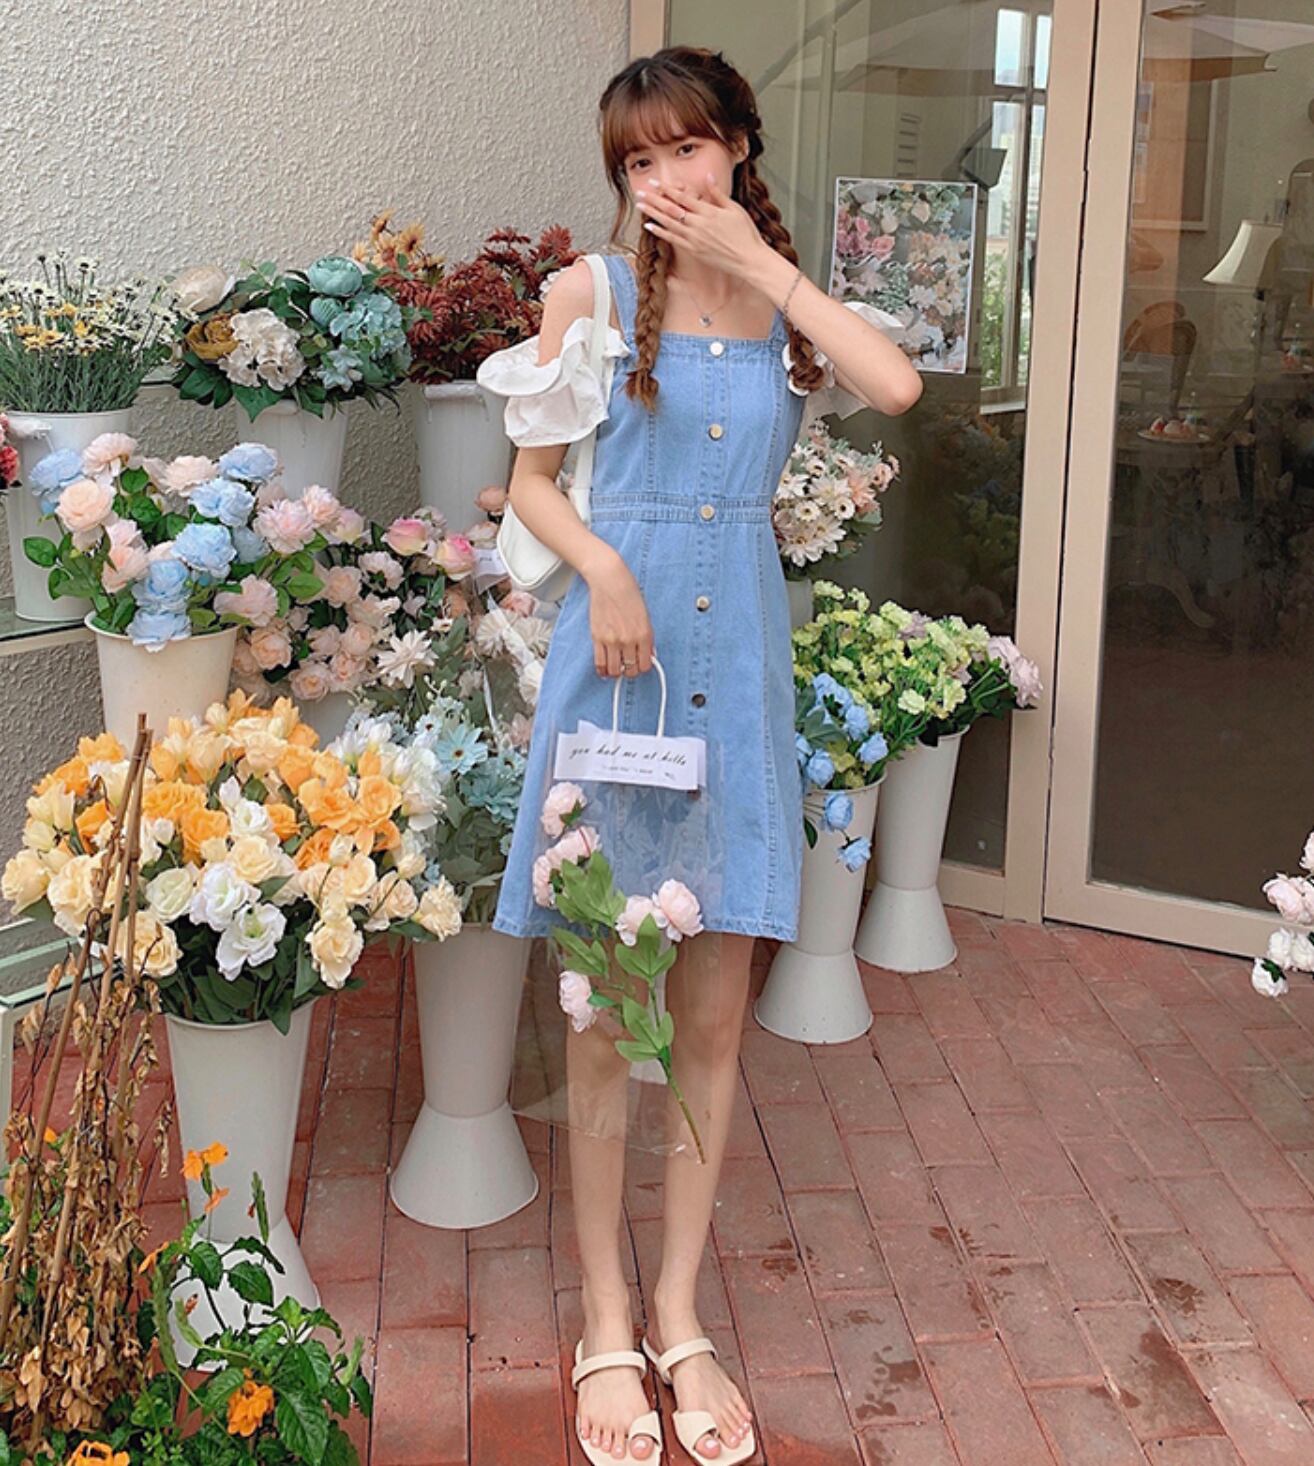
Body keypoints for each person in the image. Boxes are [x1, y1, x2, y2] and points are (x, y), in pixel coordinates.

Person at [476, 45, 922, 1466]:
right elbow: (532, 488)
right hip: (619, 670)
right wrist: (606, 568)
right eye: (636, 160)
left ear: (735, 145)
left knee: (716, 1020)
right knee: (610, 1012)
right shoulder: (593, 295)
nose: (662, 179)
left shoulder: (788, 305)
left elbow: (895, 385)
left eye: (683, 147)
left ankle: (678, 1310)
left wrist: (762, 265)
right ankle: (606, 1317)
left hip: (736, 681)